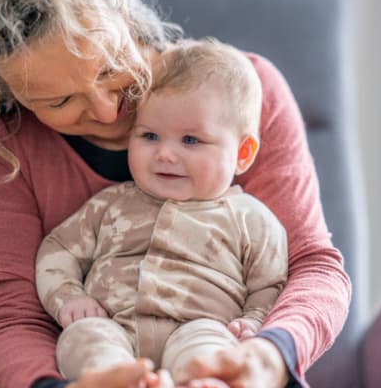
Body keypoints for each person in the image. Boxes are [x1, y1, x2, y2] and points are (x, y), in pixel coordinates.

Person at [0, 0, 351, 388]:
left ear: (120, 4)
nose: (109, 111)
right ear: (7, 94)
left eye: (110, 67)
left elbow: (312, 266)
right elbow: (9, 312)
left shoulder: (238, 94)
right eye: (59, 101)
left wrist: (266, 355)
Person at [35, 39, 289, 386]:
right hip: (113, 324)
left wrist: (255, 320)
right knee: (83, 337)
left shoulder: (251, 219)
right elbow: (59, 250)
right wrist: (69, 298)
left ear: (243, 152)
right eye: (150, 135)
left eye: (190, 141)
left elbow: (271, 282)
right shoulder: (111, 205)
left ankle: (204, 381)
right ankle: (116, 380)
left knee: (210, 348)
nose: (165, 154)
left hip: (201, 326)